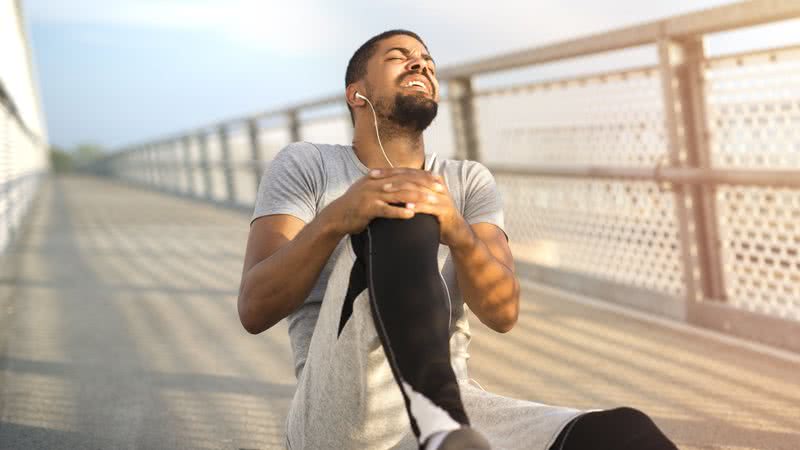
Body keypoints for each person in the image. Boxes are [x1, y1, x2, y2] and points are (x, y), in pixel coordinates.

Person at [238, 29, 678, 450]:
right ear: (358, 94)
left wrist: (459, 233)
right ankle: (437, 422)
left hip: (459, 412)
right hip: (342, 417)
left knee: (624, 432)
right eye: (398, 57)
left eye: (428, 61)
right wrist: (338, 217)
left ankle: (440, 426)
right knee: (403, 203)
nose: (421, 63)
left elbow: (502, 313)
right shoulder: (306, 164)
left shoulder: (468, 180)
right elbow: (255, 308)